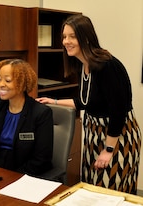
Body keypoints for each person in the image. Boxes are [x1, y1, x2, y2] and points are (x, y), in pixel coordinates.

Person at [36, 14, 141, 194]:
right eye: (64, 37)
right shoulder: (82, 65)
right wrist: (54, 101)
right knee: (93, 189)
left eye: (72, 36)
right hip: (94, 136)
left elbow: (118, 111)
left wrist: (108, 149)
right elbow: (85, 102)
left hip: (117, 138)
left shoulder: (107, 66)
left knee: (112, 191)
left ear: (86, 38)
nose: (66, 41)